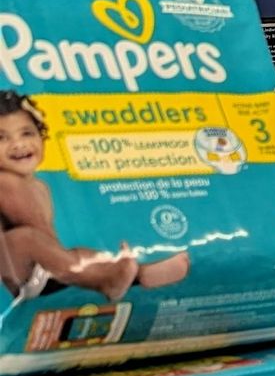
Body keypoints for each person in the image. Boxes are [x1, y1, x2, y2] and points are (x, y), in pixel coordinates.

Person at [0, 91, 189, 301]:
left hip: (43, 270)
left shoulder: (39, 186)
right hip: (16, 273)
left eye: (27, 133)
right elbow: (38, 235)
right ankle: (106, 279)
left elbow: (48, 241)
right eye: (1, 138)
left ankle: (134, 274)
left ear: (41, 135)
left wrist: (65, 260)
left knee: (83, 255)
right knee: (24, 239)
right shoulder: (5, 182)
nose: (18, 144)